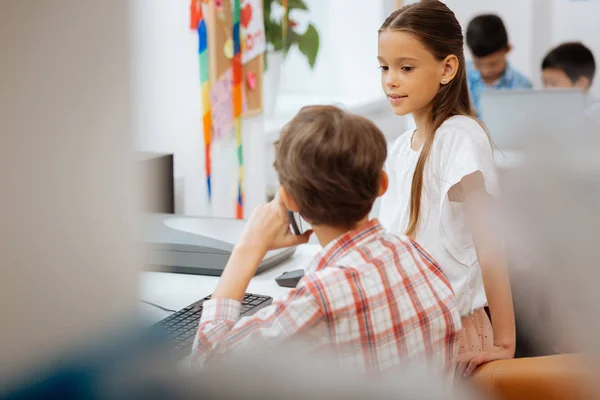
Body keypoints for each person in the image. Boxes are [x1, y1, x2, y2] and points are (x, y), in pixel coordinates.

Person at [191, 105, 461, 376]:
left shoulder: (319, 299)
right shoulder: (417, 255)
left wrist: (248, 248)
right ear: (382, 184)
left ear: (289, 200)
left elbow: (207, 367)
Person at [377, 0, 516, 377]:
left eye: (405, 68)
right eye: (385, 67)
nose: (391, 79)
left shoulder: (460, 138)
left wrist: (505, 343)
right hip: (411, 333)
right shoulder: (399, 149)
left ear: (447, 68)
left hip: (455, 337)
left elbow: (490, 245)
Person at [465, 14, 532, 118]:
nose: (485, 71)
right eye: (478, 63)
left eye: (493, 64)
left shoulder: (522, 86)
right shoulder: (459, 78)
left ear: (508, 49)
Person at [541, 41, 600, 126]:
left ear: (581, 84)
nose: (546, 89)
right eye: (545, 83)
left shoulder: (594, 115)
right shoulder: (554, 112)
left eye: (553, 84)